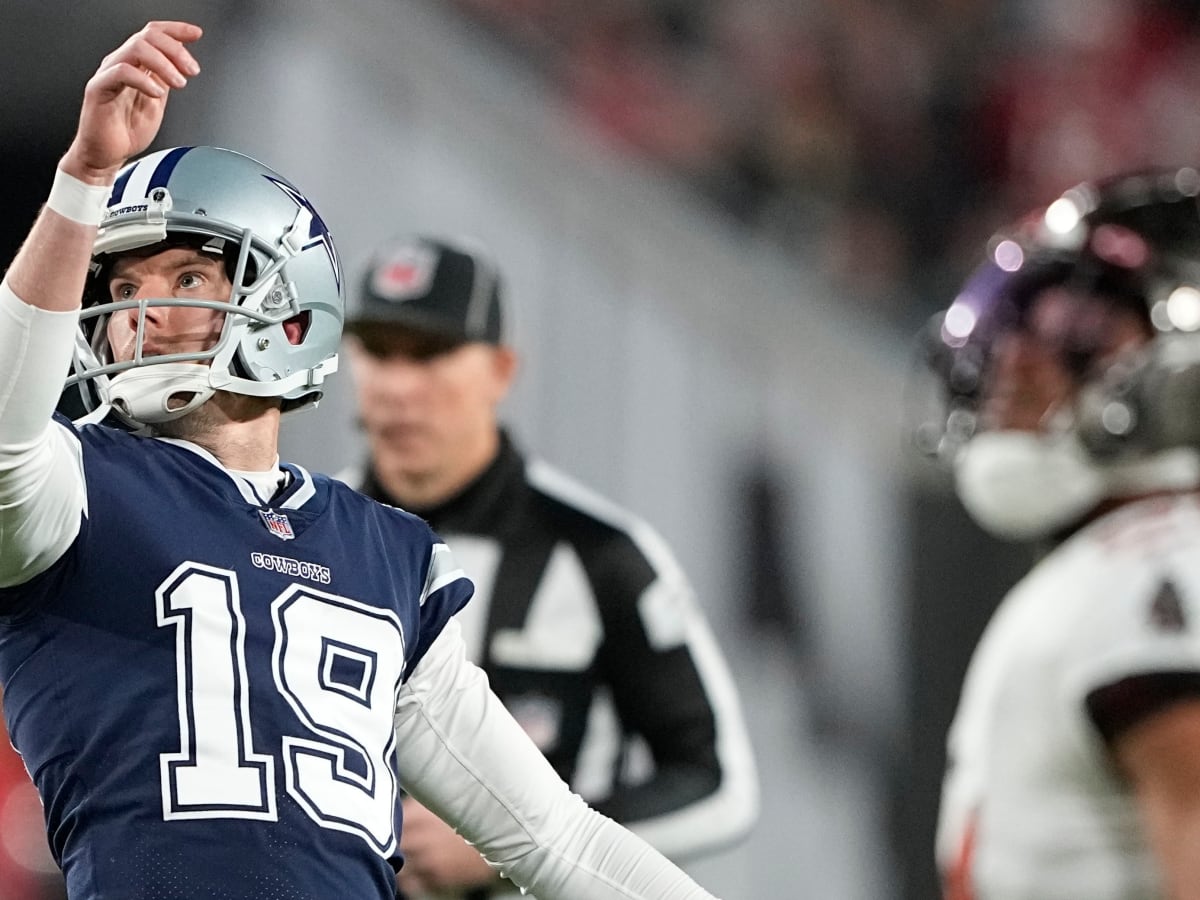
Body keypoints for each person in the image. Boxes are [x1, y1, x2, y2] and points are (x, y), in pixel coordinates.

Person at [0, 20, 726, 900]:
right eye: (120, 291)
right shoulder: (74, 489)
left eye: (187, 281)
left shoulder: (385, 551)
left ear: (291, 314)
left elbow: (557, 840)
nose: (139, 318)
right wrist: (80, 182)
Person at [339, 234, 759, 898]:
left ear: (502, 370)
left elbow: (718, 785)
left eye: (429, 354)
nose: (396, 386)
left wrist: (504, 840)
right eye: (377, 352)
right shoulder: (302, 537)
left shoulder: (601, 553)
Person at [919, 166, 1200, 899]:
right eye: (1016, 320)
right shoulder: (1122, 563)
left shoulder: (1154, 567)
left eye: (1075, 323)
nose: (1016, 359)